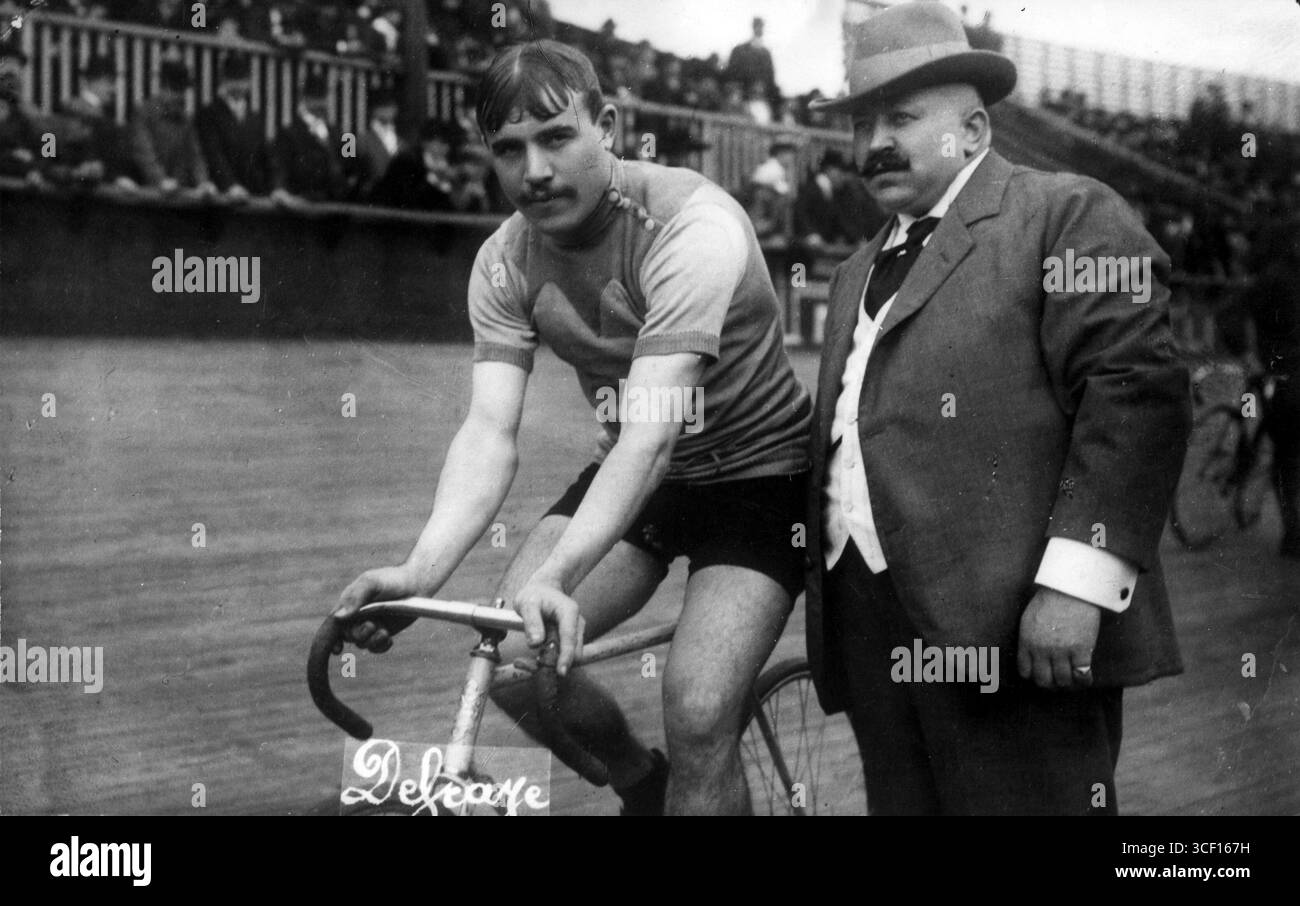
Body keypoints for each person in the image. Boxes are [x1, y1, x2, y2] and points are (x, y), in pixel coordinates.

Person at [332, 39, 812, 816]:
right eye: (508, 150)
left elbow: (654, 431)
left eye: (556, 137)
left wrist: (554, 577)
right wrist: (421, 574)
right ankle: (642, 785)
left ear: (609, 126)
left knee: (695, 712)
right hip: (641, 473)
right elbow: (489, 431)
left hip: (759, 482)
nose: (535, 172)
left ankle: (689, 767)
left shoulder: (691, 224)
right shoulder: (503, 261)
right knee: (516, 666)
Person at [804, 1, 1191, 815]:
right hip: (874, 624)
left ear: (974, 131)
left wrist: (1077, 586)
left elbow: (1134, 393)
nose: (874, 144)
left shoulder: (1066, 212)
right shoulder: (853, 272)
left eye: (902, 118)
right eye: (862, 124)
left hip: (1017, 624)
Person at [129, 59, 215, 193]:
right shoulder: (144, 113)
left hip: (177, 194)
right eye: (175, 89)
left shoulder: (185, 119)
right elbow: (144, 152)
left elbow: (195, 155)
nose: (180, 96)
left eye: (182, 90)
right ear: (163, 88)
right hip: (147, 193)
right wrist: (160, 180)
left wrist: (203, 182)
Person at [195, 55, 275, 199]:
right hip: (222, 197)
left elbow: (264, 158)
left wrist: (274, 189)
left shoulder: (254, 118)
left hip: (252, 197)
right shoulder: (209, 113)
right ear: (223, 81)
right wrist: (230, 185)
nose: (238, 85)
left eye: (243, 80)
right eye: (233, 79)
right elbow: (213, 155)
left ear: (249, 82)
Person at [55, 53, 139, 188]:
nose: (114, 89)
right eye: (109, 82)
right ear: (93, 81)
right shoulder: (74, 113)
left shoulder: (65, 111)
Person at [273, 71, 347, 202]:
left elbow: (350, 161)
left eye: (322, 97)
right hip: (306, 204)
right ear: (304, 98)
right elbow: (282, 169)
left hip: (335, 205)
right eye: (315, 97)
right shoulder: (289, 133)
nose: (320, 102)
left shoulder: (338, 132)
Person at [349, 87, 401, 201]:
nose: (388, 110)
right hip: (372, 199)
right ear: (373, 110)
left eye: (391, 105)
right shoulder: (358, 140)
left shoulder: (402, 142)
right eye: (383, 106)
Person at [744, 139, 797, 243]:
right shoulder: (772, 167)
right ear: (780, 153)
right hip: (760, 210)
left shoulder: (780, 168)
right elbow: (764, 187)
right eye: (789, 154)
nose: (791, 158)